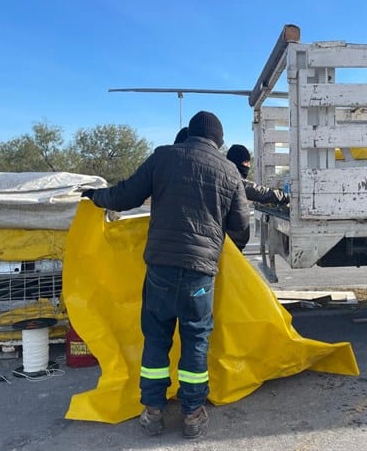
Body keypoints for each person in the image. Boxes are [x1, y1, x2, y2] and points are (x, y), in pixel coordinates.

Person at [81, 111, 249, 439]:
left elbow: (125, 196)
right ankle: (192, 413)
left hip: (160, 269)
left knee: (157, 336)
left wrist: (94, 196)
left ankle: (153, 410)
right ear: (218, 139)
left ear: (191, 134)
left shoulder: (163, 156)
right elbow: (241, 225)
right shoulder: (229, 170)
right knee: (196, 339)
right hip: (200, 274)